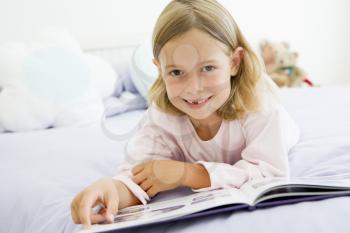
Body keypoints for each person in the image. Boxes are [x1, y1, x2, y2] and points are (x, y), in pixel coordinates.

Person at [71, 0, 300, 229]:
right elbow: (140, 177)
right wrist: (111, 190)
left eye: (208, 68)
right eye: (177, 72)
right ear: (160, 70)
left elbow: (270, 174)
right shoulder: (162, 118)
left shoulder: (260, 106)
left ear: (234, 62)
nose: (193, 88)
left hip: (278, 129)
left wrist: (188, 174)